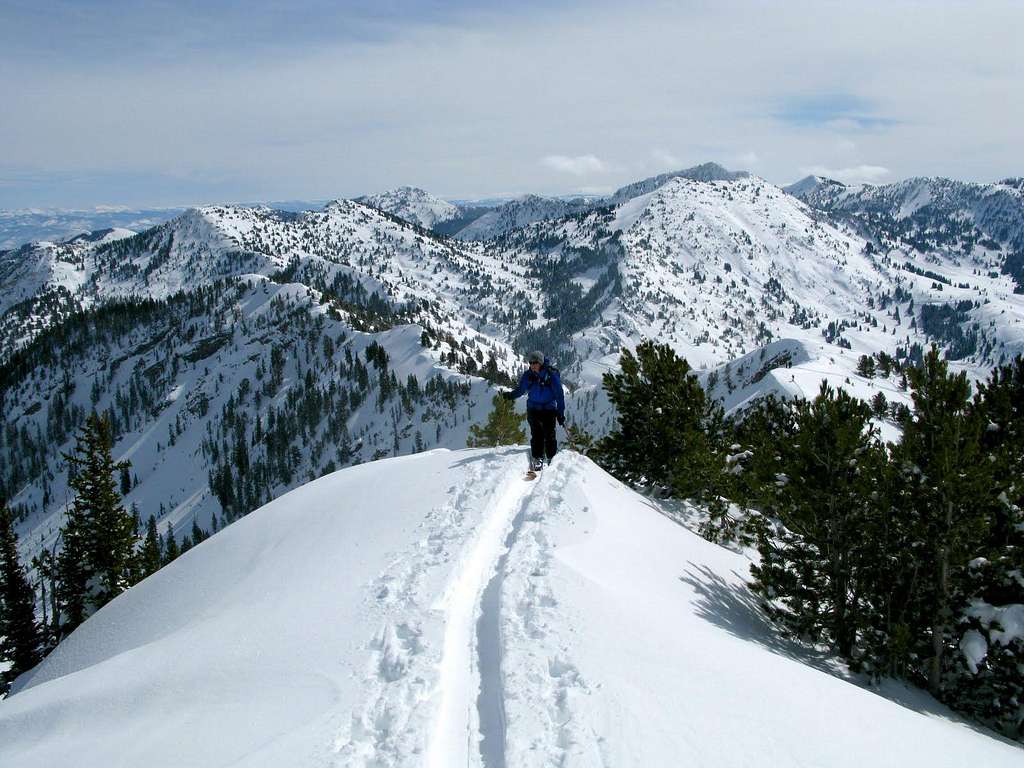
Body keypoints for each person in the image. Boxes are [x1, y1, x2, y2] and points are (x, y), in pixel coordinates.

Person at [503, 350, 565, 472]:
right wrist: (511, 395)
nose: (532, 365)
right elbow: (521, 390)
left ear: (541, 363)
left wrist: (560, 413)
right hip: (533, 408)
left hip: (549, 408)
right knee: (536, 434)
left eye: (535, 362)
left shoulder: (551, 375)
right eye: (530, 363)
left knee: (549, 434)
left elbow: (559, 395)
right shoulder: (528, 375)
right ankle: (537, 458)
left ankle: (551, 458)